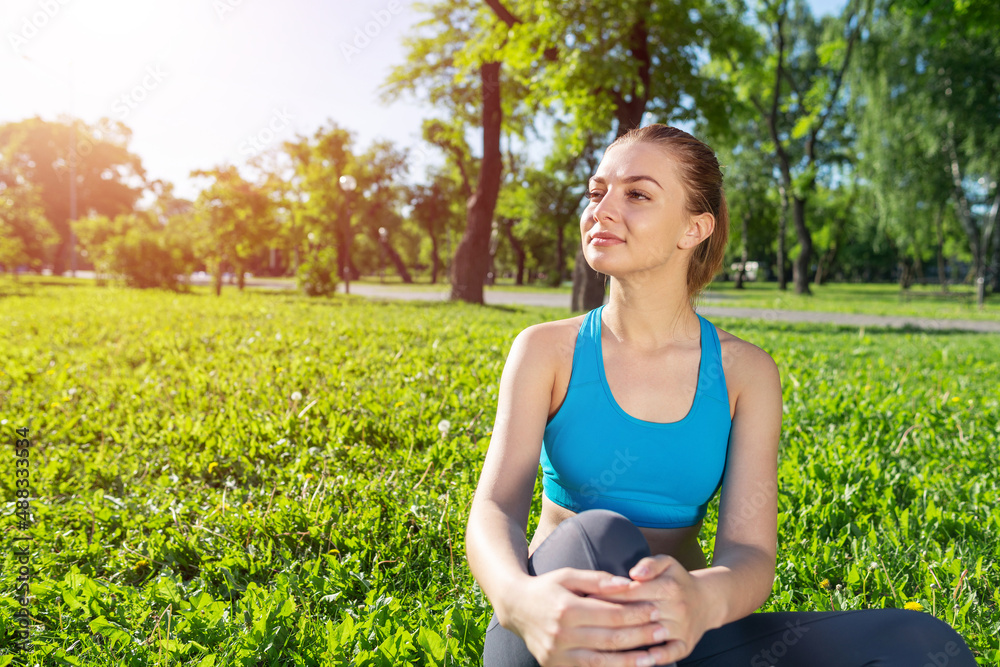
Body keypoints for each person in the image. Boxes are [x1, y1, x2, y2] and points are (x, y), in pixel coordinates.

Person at [465, 125, 977, 667]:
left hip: (678, 641)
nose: (603, 209)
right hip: (550, 634)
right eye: (597, 192)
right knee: (602, 534)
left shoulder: (745, 373)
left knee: (920, 641)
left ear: (694, 228)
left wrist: (701, 600)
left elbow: (749, 554)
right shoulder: (546, 349)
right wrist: (520, 602)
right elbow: (495, 508)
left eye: (637, 194)